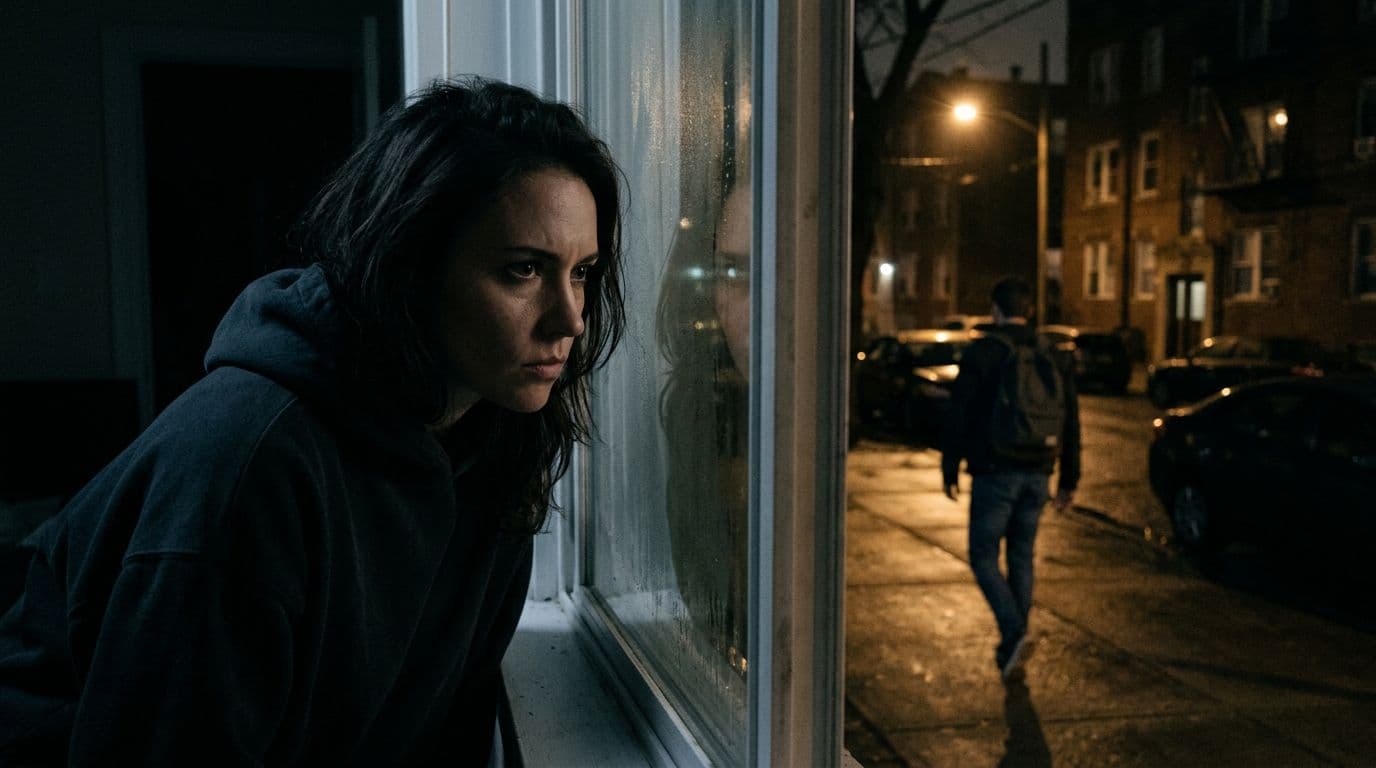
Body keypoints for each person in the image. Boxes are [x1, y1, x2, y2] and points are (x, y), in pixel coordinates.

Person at [0, 76, 625, 765]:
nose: (571, 319)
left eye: (583, 272)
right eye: (523, 271)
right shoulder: (245, 466)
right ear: (412, 264)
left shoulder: (488, 434)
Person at [941, 276, 1079, 682]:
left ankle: (1014, 630)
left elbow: (958, 414)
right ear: (1030, 311)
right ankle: (1011, 647)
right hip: (1038, 472)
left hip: (995, 472)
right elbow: (1071, 418)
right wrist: (1069, 478)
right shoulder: (1052, 354)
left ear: (995, 311)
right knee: (1021, 555)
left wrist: (950, 467)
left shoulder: (984, 352)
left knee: (983, 556)